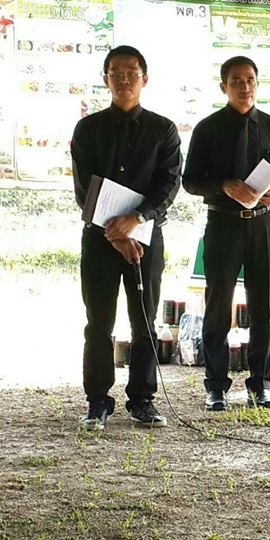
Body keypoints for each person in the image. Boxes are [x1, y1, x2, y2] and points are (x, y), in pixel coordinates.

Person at [71, 45, 181, 430]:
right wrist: (115, 235)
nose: (123, 79)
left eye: (131, 72)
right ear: (106, 79)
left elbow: (168, 184)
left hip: (146, 238)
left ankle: (143, 400)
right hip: (99, 240)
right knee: (98, 322)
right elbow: (84, 188)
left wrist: (135, 220)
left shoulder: (163, 129)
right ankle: (97, 401)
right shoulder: (88, 129)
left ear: (144, 79)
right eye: (115, 73)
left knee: (144, 321)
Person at [182, 56, 270, 411]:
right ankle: (216, 386)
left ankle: (261, 385)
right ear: (223, 86)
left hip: (264, 224)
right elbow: (190, 181)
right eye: (236, 81)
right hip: (224, 223)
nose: (244, 87)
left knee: (262, 307)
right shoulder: (207, 129)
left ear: (257, 84)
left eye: (250, 80)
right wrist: (225, 186)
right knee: (218, 306)